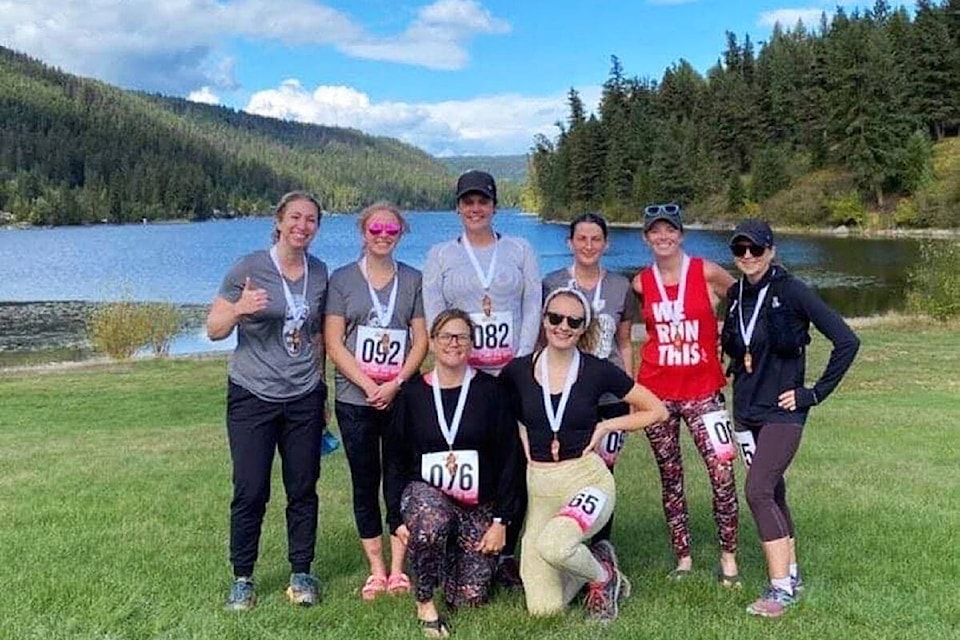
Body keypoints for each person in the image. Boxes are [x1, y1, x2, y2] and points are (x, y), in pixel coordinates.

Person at [499, 287, 668, 623]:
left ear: (583, 328)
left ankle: (605, 579)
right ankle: (590, 562)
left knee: (555, 545)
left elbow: (656, 410)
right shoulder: (517, 370)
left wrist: (607, 427)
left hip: (586, 479)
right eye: (555, 318)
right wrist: (523, 439)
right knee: (544, 609)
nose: (563, 326)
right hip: (541, 485)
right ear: (544, 321)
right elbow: (505, 414)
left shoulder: (596, 369)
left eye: (573, 321)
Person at [720, 219, 859, 618]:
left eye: (756, 248)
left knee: (757, 491)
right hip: (746, 412)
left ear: (771, 250)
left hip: (783, 412)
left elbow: (847, 341)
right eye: (740, 249)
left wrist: (812, 394)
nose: (748, 256)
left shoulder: (792, 290)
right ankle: (792, 574)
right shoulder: (734, 294)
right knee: (774, 491)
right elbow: (739, 348)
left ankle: (780, 590)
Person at [206, 191, 329, 610]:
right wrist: (240, 308)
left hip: (303, 397)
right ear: (279, 221)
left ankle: (301, 573)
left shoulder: (320, 272)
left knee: (303, 487)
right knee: (251, 489)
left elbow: (316, 337)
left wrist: (321, 389)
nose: (302, 225)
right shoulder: (249, 266)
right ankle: (242, 578)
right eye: (295, 217)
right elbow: (213, 329)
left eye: (311, 219)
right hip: (252, 395)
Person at [422, 169, 541, 588]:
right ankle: (458, 541)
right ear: (458, 207)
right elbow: (436, 313)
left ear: (494, 205)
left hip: (511, 371)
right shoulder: (440, 255)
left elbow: (532, 306)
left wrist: (520, 363)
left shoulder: (519, 249)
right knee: (468, 456)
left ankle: (508, 549)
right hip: (463, 373)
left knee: (515, 457)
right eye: (468, 202)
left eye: (483, 201)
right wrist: (453, 363)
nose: (476, 209)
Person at [385, 309, 523, 637]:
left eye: (462, 336)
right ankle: (424, 601)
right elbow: (394, 460)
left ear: (472, 344)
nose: (454, 343)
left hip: (477, 505)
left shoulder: (491, 391)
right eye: (446, 336)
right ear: (432, 343)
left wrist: (501, 522)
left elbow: (509, 459)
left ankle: (448, 560)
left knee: (470, 599)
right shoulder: (413, 395)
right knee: (432, 523)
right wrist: (396, 518)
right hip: (427, 497)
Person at [632, 203, 741, 585]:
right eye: (655, 232)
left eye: (670, 231)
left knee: (722, 471)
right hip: (657, 394)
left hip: (704, 390)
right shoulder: (641, 282)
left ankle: (729, 559)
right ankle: (683, 558)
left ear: (681, 234)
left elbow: (744, 300)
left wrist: (733, 339)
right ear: (646, 238)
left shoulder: (706, 271)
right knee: (670, 477)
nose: (663, 237)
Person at [324, 202, 429, 601]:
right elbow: (334, 341)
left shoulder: (414, 279)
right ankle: (376, 569)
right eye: (376, 229)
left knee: (400, 479)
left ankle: (400, 568)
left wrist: (397, 381)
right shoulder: (342, 280)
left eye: (391, 229)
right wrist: (369, 384)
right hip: (356, 398)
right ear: (362, 232)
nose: (383, 235)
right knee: (364, 481)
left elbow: (420, 338)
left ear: (401, 233)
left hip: (401, 397)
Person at [542, 212, 638, 543]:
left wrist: (629, 394)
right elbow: (545, 340)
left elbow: (624, 343)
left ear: (606, 244)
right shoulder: (552, 283)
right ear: (570, 243)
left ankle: (601, 549)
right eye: (581, 238)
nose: (588, 245)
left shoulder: (620, 286)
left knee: (603, 476)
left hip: (610, 399)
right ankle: (564, 542)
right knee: (567, 469)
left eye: (596, 239)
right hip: (567, 394)